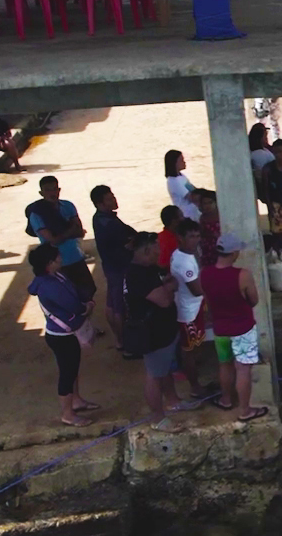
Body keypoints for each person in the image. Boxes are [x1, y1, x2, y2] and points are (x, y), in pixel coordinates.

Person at [203, 234, 270, 423]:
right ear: (233, 253)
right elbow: (254, 300)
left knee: (224, 364)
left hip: (220, 329)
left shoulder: (205, 274)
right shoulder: (242, 275)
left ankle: (225, 399)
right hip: (242, 329)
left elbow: (208, 301)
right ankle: (245, 410)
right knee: (243, 369)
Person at [27, 244, 96, 427]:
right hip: (62, 335)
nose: (61, 259)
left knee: (72, 368)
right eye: (57, 258)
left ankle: (76, 401)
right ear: (49, 264)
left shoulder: (53, 276)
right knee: (67, 373)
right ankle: (67, 414)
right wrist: (86, 307)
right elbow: (72, 305)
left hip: (63, 333)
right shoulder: (50, 285)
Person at [125, 232, 187, 431]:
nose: (159, 252)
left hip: (164, 331)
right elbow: (164, 299)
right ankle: (158, 418)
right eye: (156, 249)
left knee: (166, 368)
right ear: (145, 251)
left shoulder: (149, 268)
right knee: (155, 375)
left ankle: (173, 400)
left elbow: (167, 280)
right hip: (153, 333)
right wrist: (169, 287)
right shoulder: (137, 275)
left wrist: (167, 285)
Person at [26, 176, 96, 304]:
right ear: (41, 193)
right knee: (67, 298)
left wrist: (64, 234)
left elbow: (79, 232)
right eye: (48, 190)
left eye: (54, 189)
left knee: (88, 292)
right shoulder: (37, 214)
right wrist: (70, 230)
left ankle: (86, 323)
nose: (52, 193)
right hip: (57, 264)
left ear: (59, 189)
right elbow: (53, 241)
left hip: (76, 257)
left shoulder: (68, 205)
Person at [170, 218, 216, 404]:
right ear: (180, 238)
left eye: (197, 236)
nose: (195, 240)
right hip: (187, 312)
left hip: (192, 307)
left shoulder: (183, 254)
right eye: (191, 236)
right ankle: (195, 388)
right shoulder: (184, 263)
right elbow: (196, 289)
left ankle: (197, 384)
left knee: (194, 348)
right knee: (189, 350)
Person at [89, 184, 137, 352]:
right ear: (99, 204)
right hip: (120, 268)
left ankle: (119, 340)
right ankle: (123, 342)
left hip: (111, 267)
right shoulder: (110, 223)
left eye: (112, 196)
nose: (114, 200)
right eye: (109, 199)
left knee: (112, 304)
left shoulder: (100, 218)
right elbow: (130, 242)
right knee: (119, 308)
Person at [164, 150, 203, 221]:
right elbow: (190, 197)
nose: (184, 162)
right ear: (175, 163)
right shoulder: (173, 181)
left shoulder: (181, 176)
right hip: (188, 215)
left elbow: (193, 189)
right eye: (181, 160)